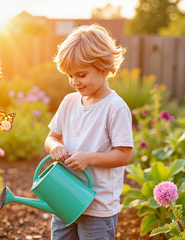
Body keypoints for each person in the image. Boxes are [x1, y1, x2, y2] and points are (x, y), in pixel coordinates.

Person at [44, 24, 134, 240]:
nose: (75, 82)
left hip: (97, 205)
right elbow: (51, 137)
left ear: (104, 68)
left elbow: (124, 155)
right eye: (70, 75)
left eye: (82, 75)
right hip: (65, 195)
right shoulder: (69, 102)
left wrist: (88, 159)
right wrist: (55, 147)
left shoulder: (115, 108)